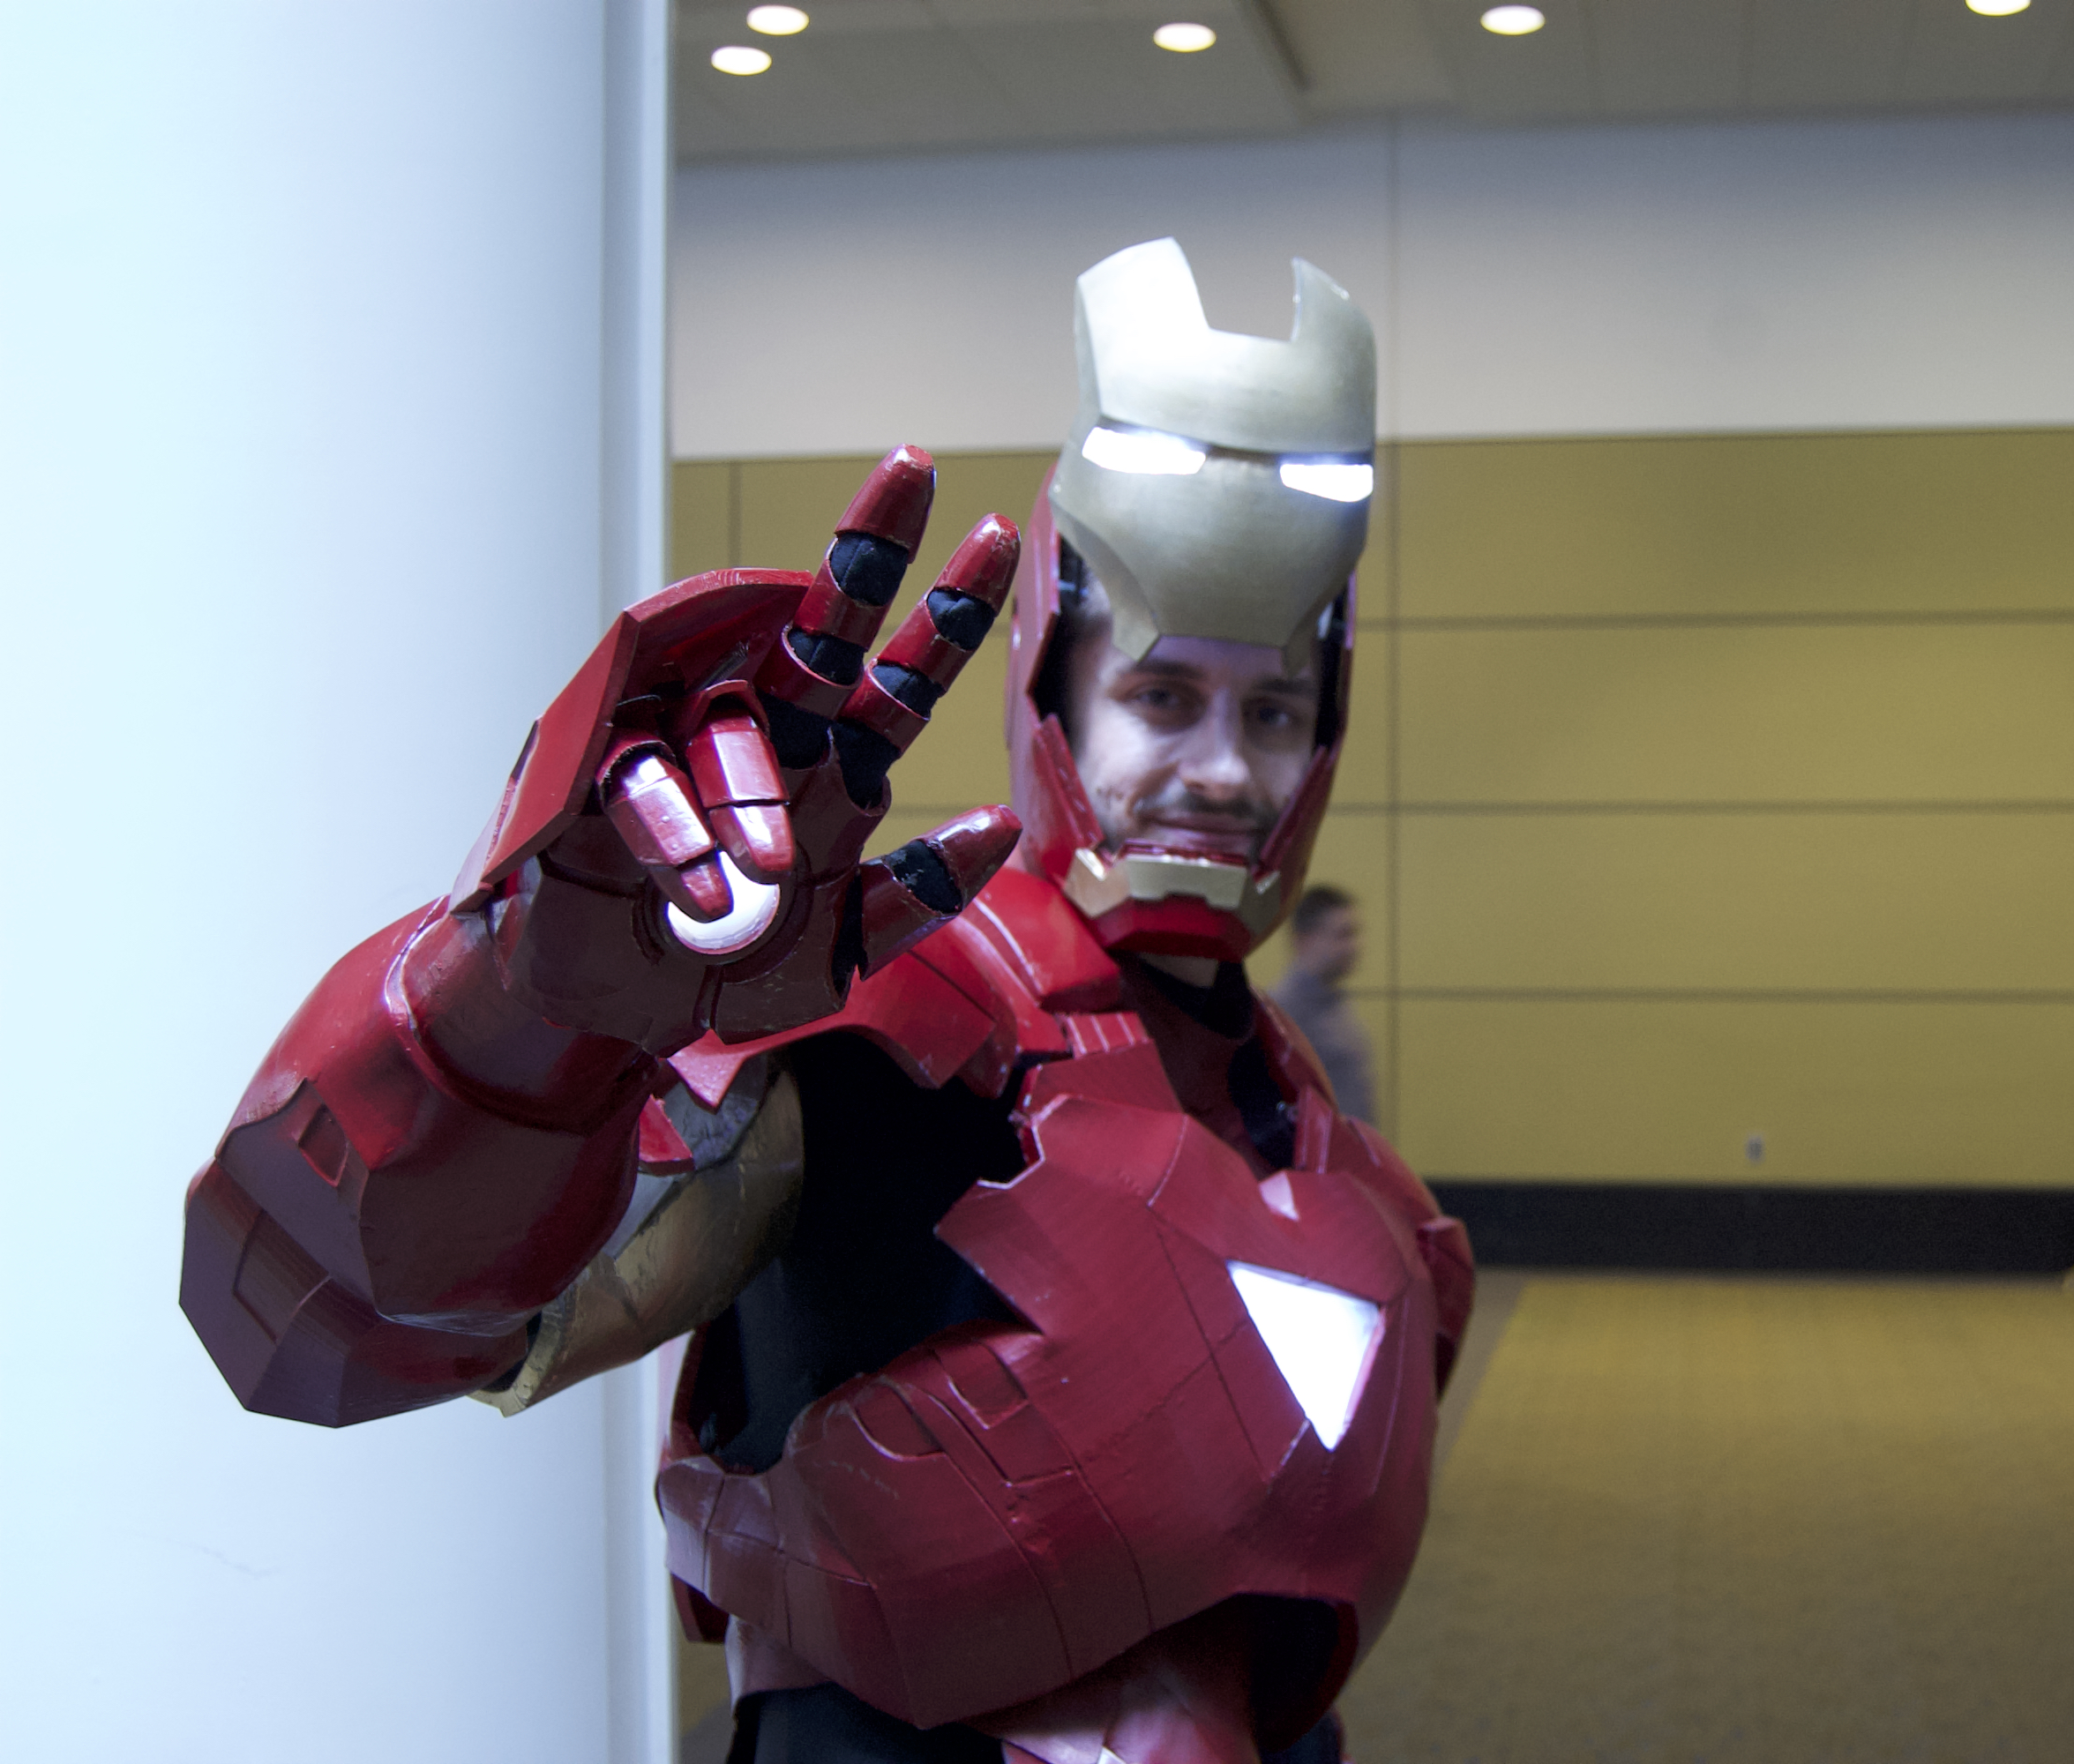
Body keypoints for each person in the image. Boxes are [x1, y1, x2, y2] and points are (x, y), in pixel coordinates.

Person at [178, 239, 1472, 1764]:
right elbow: (339, 1324)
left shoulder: (1340, 1167)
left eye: (1274, 712)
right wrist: (530, 1022)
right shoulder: (887, 1026)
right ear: (1049, 690)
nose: (1219, 769)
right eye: (1161, 695)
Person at [1269, 884, 1377, 1129]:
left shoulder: (1335, 1003)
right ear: (1305, 940)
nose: (1354, 946)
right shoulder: (1282, 1016)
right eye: (1343, 935)